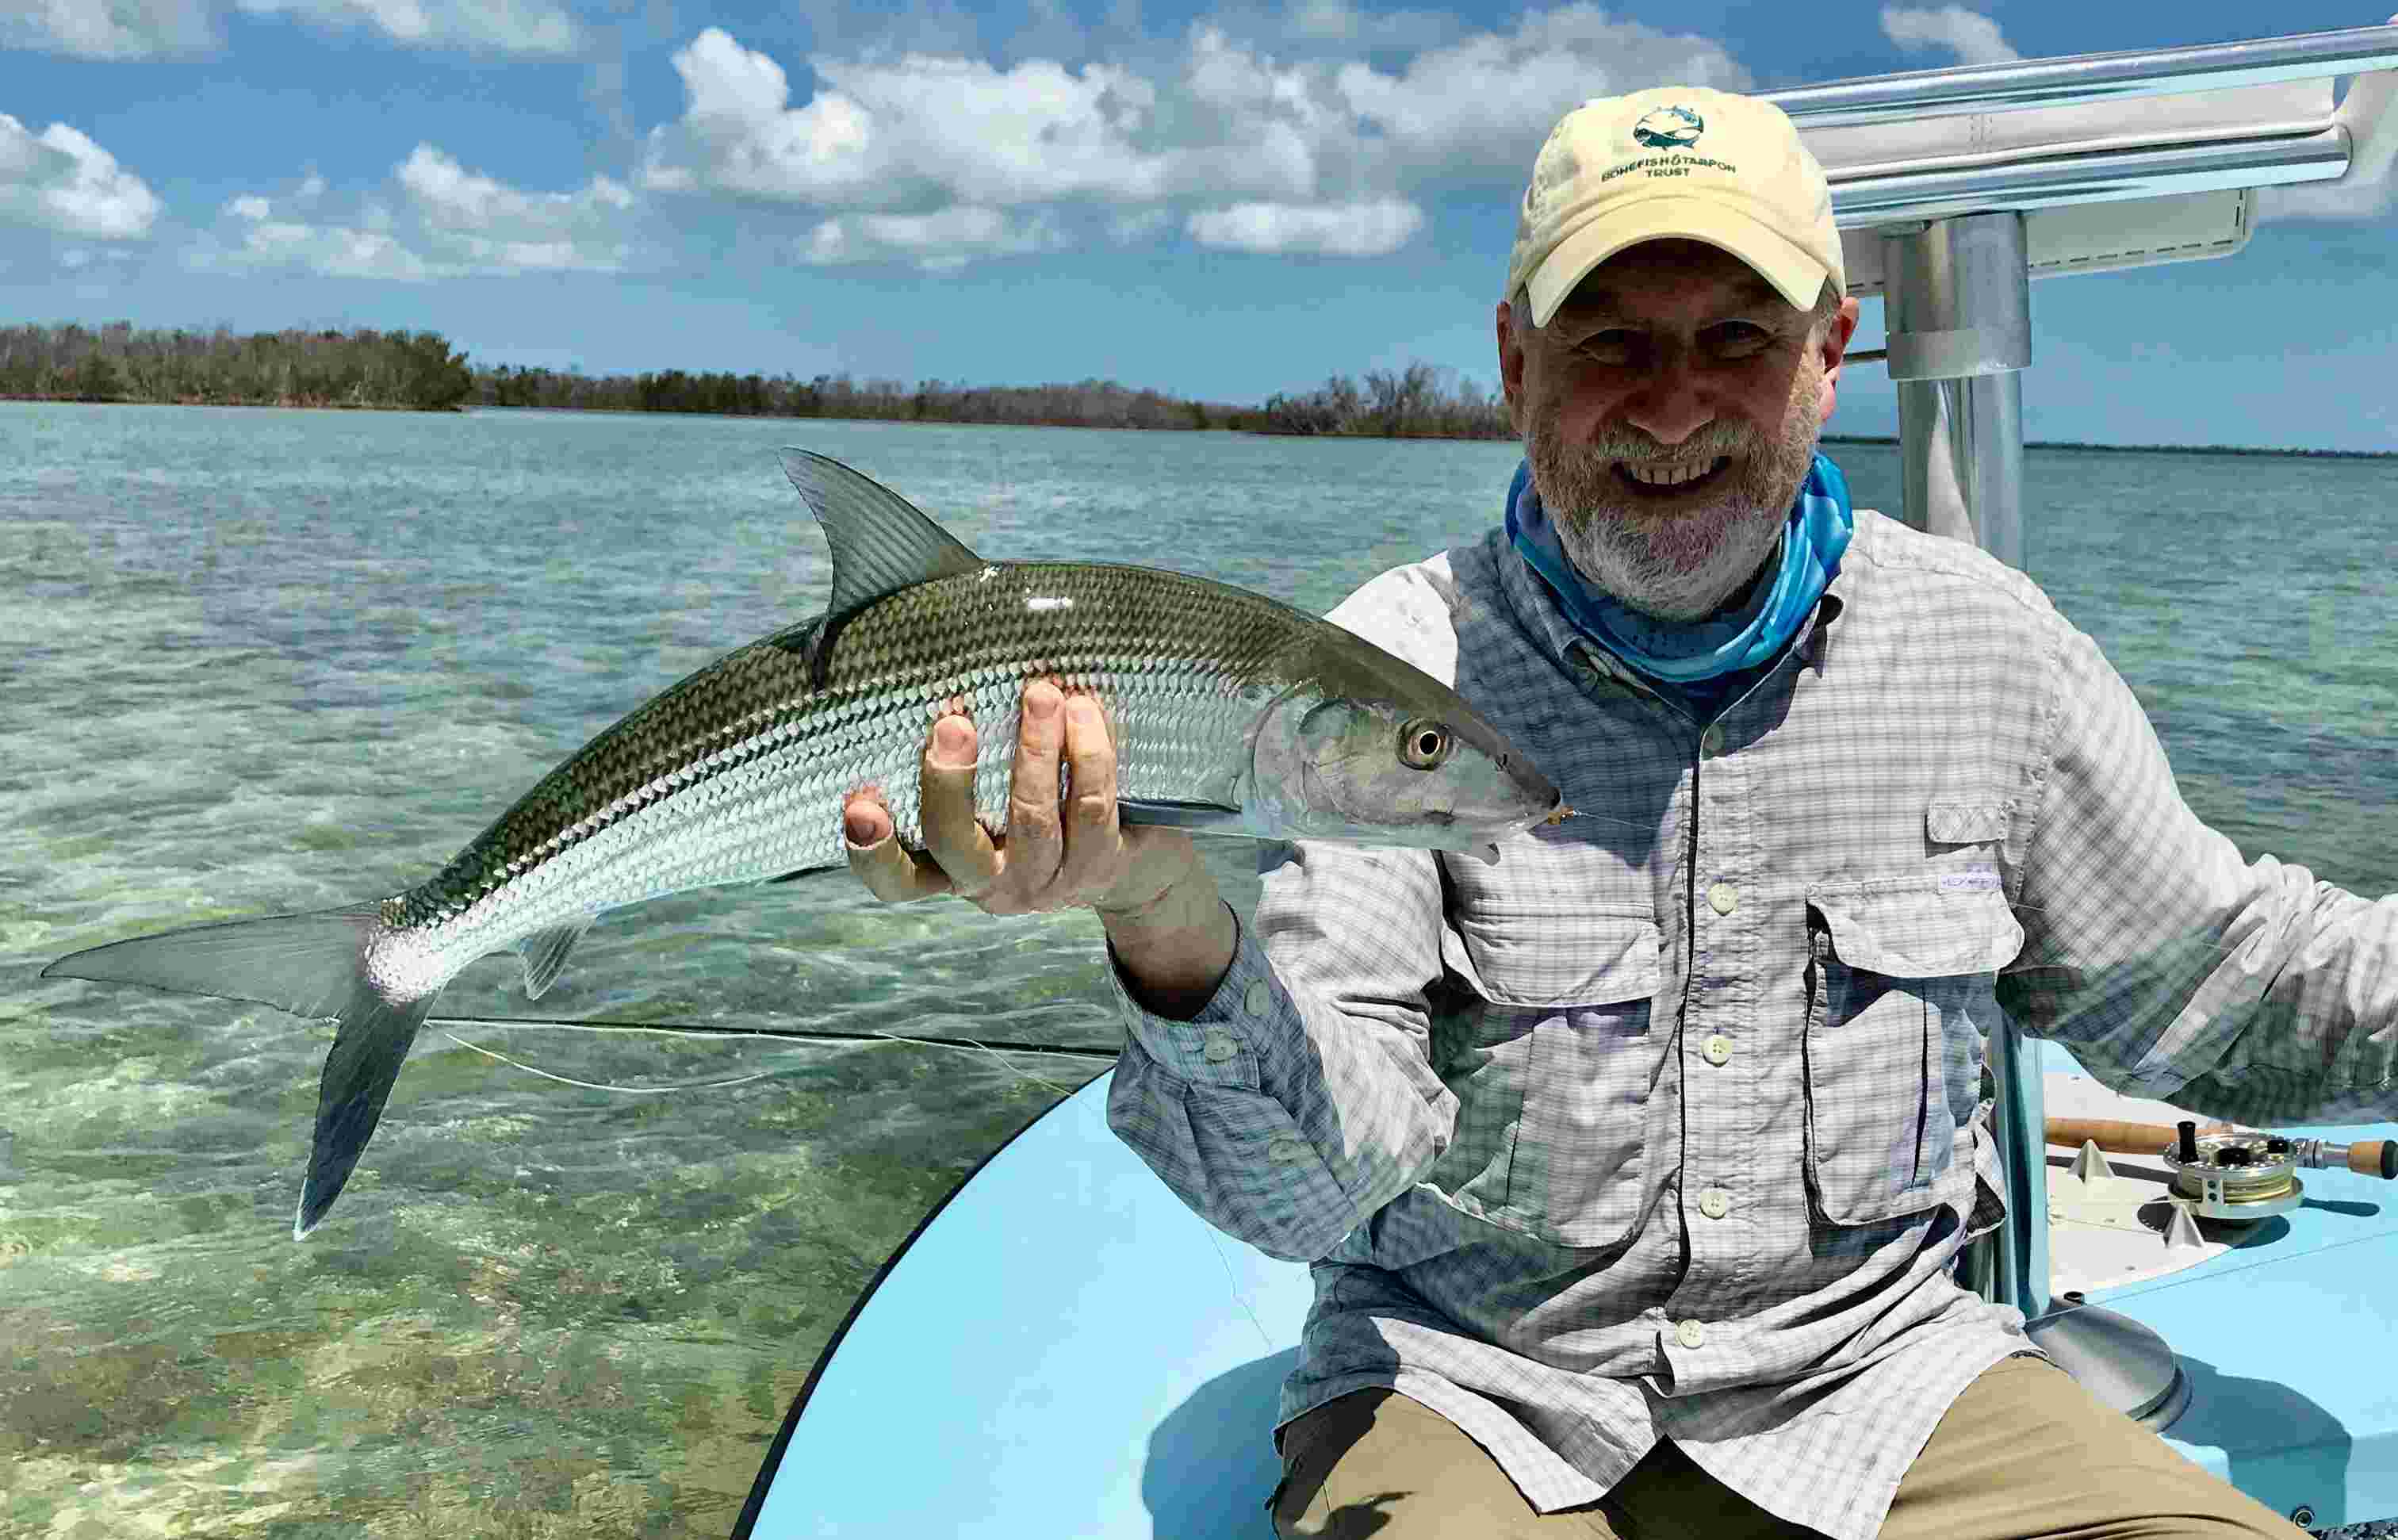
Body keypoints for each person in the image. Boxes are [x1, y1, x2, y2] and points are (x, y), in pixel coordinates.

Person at [839, 85, 2391, 1540]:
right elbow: (1309, 1185)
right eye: (1609, 344)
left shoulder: (1986, 650)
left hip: (1885, 1376)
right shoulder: (1398, 665)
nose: (1671, 407)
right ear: (1516, 363)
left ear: (1831, 351)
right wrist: (1168, 926)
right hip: (1476, 1383)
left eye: (1735, 336)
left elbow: (2231, 980)